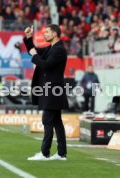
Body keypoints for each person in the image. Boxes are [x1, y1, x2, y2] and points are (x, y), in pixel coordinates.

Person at [24, 24, 68, 161]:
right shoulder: (51, 48)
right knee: (56, 122)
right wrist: (28, 38)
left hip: (53, 90)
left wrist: (35, 56)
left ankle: (44, 153)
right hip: (51, 89)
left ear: (55, 34)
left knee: (47, 120)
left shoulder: (59, 49)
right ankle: (61, 154)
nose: (44, 34)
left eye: (47, 32)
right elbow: (33, 51)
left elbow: (46, 65)